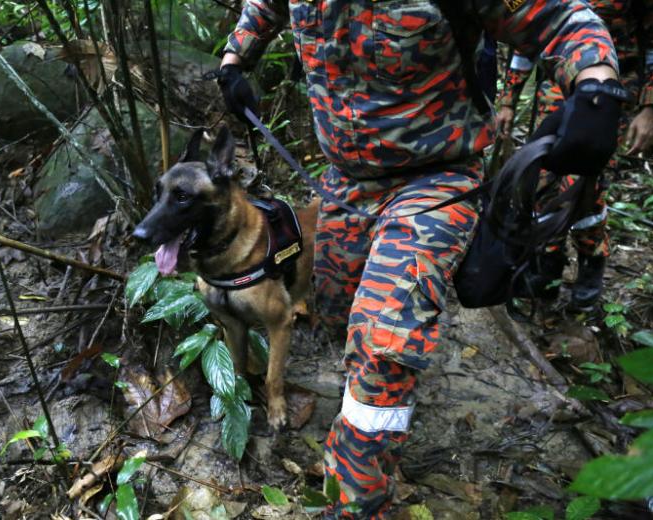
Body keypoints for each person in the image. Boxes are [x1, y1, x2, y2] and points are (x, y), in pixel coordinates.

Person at [218, 1, 624, 517]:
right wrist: (235, 60)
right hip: (344, 186)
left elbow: (561, 17)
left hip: (436, 179)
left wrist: (596, 85)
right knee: (343, 318)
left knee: (382, 340)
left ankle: (357, 501)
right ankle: (379, 420)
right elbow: (266, 6)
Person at [496, 0, 653, 311]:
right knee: (541, 177)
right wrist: (508, 100)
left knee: (582, 181)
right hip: (557, 86)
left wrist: (649, 107)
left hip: (609, 90)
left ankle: (590, 265)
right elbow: (526, 34)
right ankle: (546, 266)